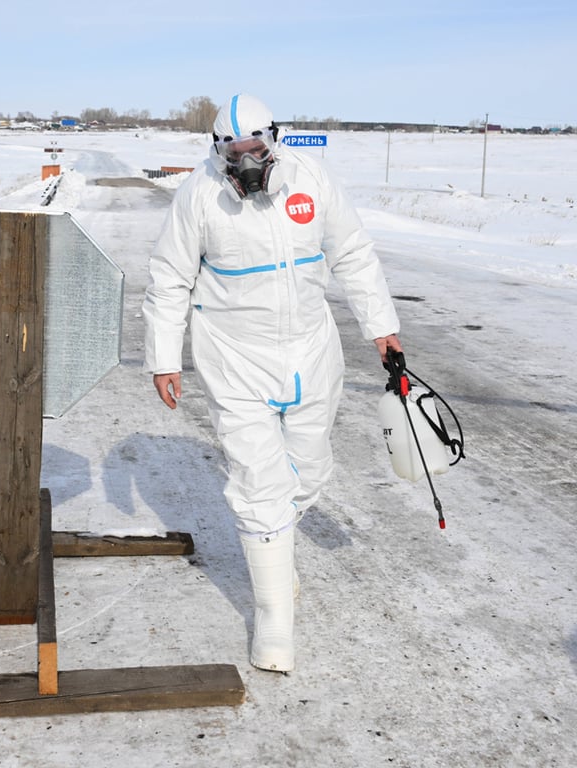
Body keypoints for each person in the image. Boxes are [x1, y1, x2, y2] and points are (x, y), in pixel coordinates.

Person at [142, 93, 402, 673]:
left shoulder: (311, 179)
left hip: (311, 349)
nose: (247, 161)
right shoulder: (199, 194)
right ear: (218, 150)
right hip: (234, 355)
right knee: (259, 483)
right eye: (234, 151)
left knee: (308, 472)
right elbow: (169, 278)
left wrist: (381, 327)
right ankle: (274, 616)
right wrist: (164, 357)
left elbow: (353, 253)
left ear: (273, 141)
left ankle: (276, 560)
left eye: (255, 148)